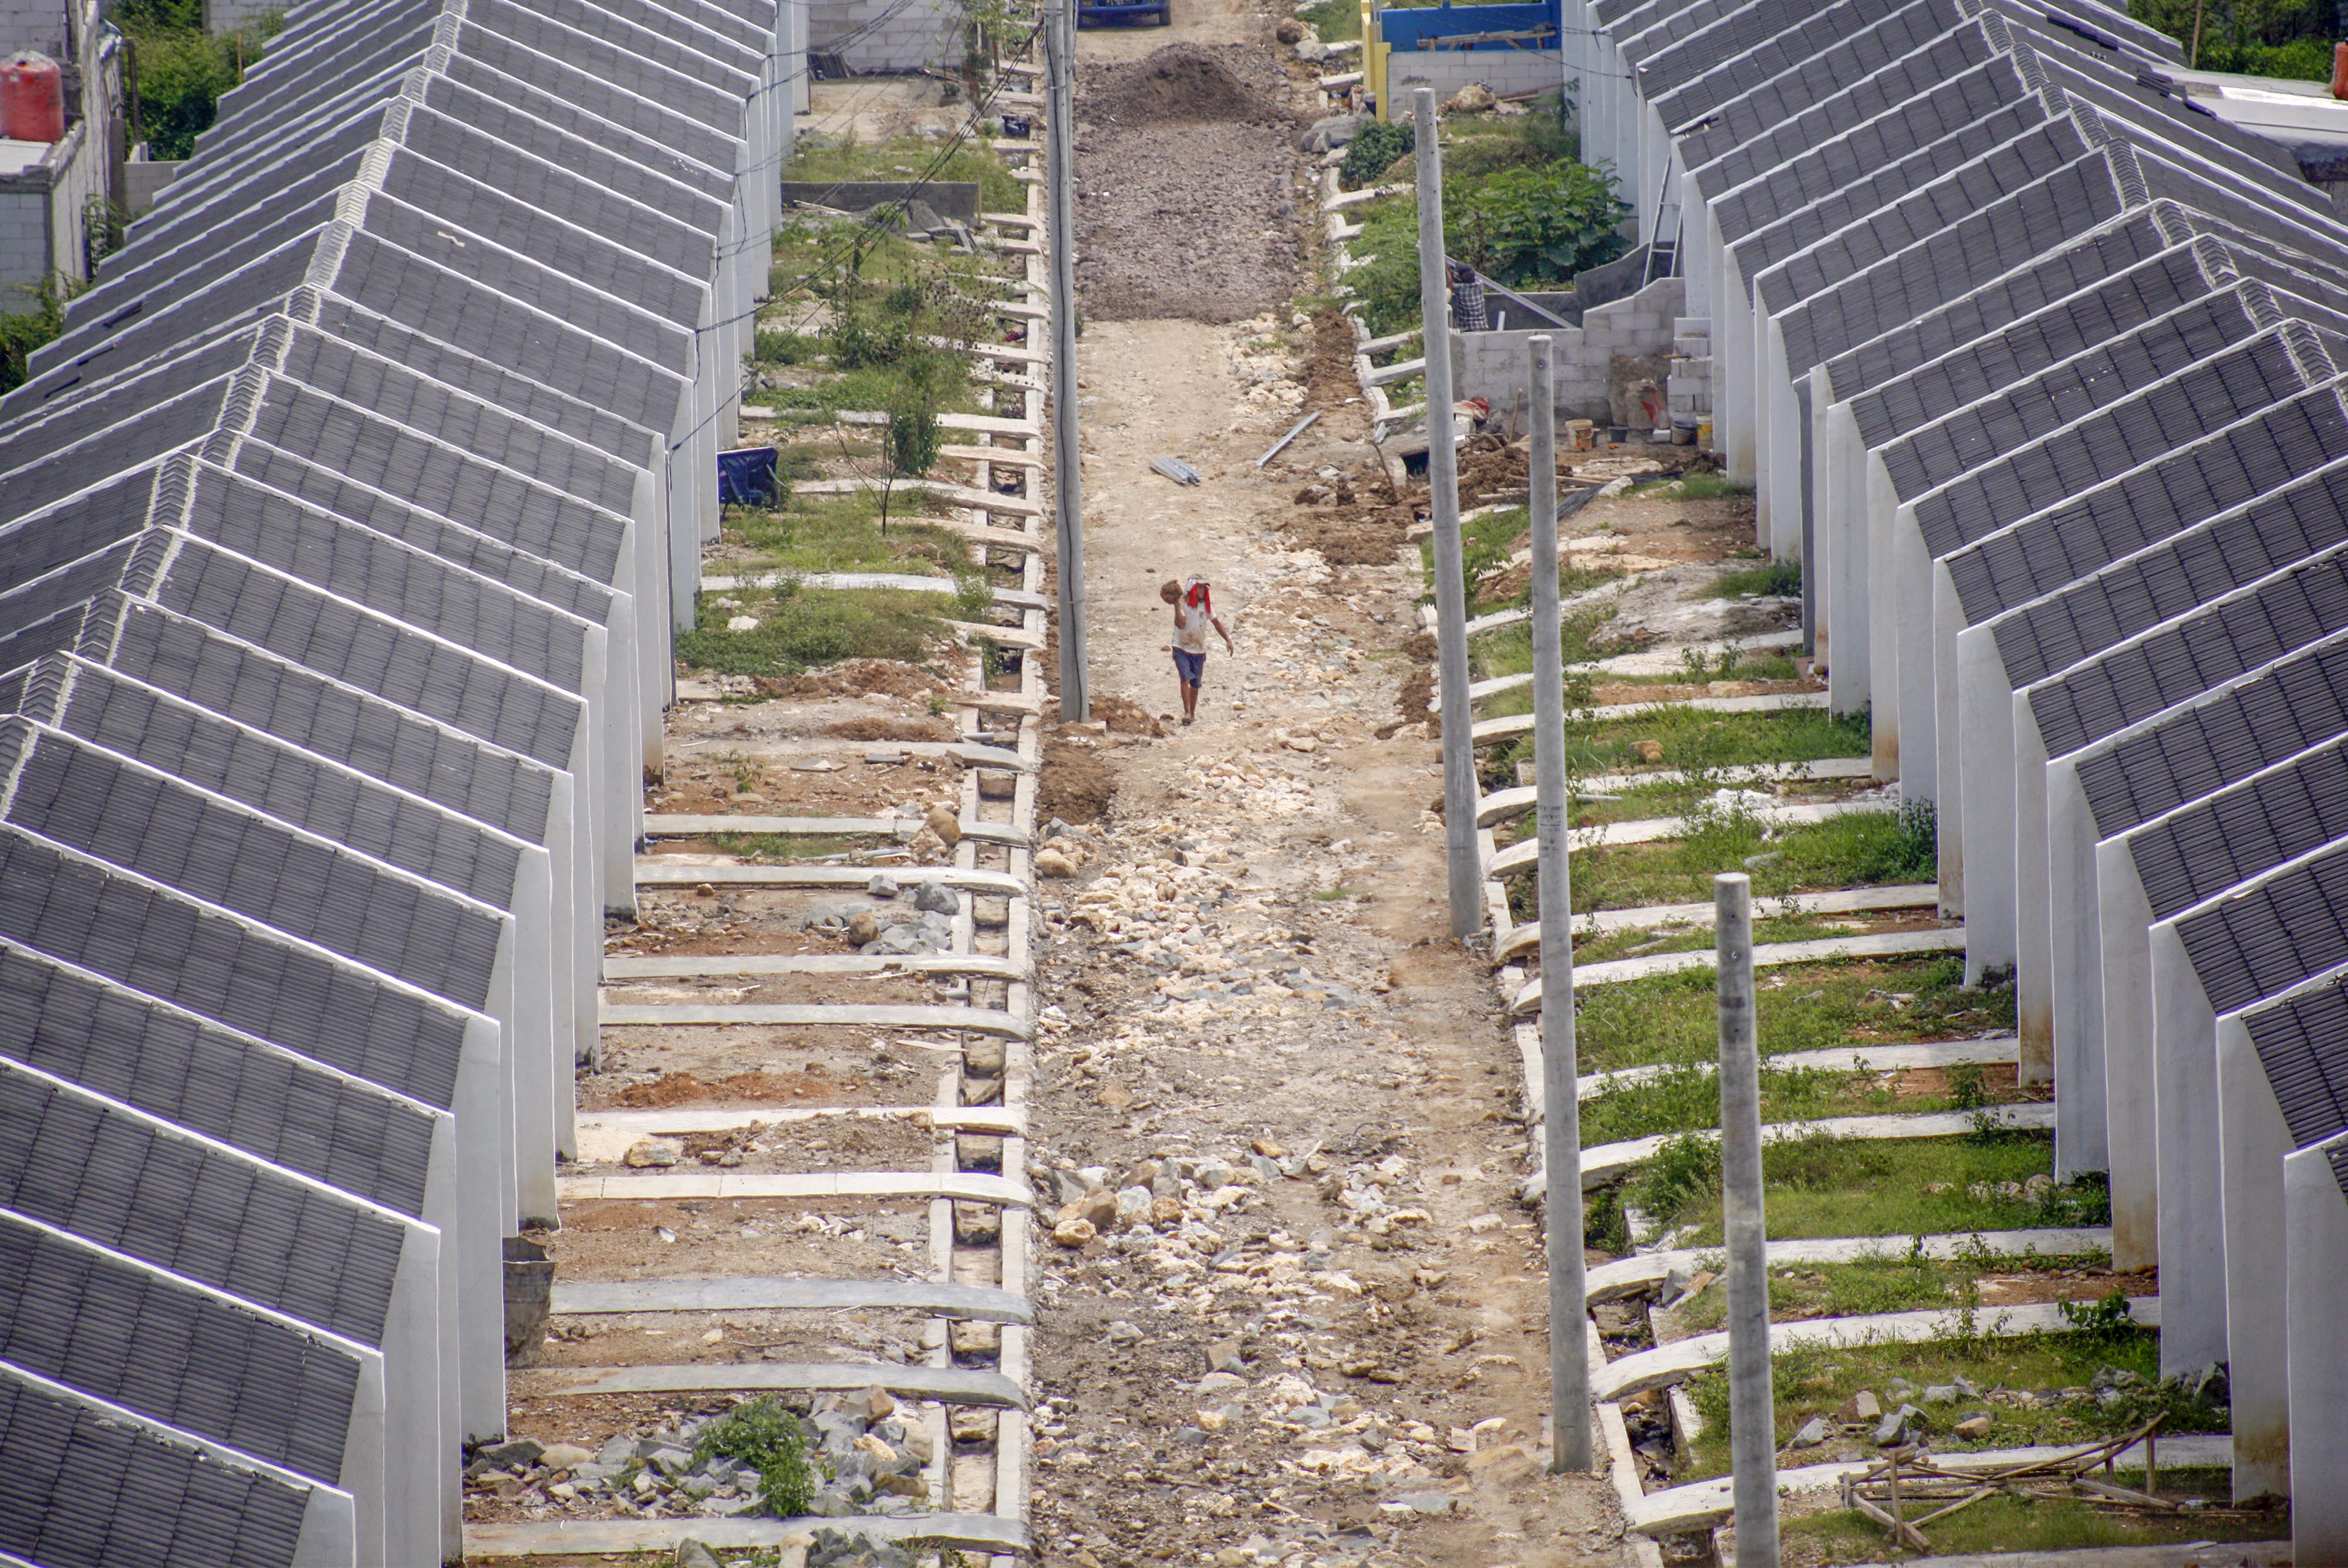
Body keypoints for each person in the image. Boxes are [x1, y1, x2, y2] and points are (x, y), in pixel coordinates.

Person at [1162, 577, 1234, 725]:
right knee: (1185, 678)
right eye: (1199, 588)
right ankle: (1187, 712)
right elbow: (1180, 624)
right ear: (1192, 589)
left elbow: (1216, 623)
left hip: (1199, 649)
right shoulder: (1182, 603)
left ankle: (1192, 713)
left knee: (1195, 683)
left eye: (1203, 588)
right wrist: (1176, 605)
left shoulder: (1206, 606)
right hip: (1181, 646)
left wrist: (1228, 639)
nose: (1202, 591)